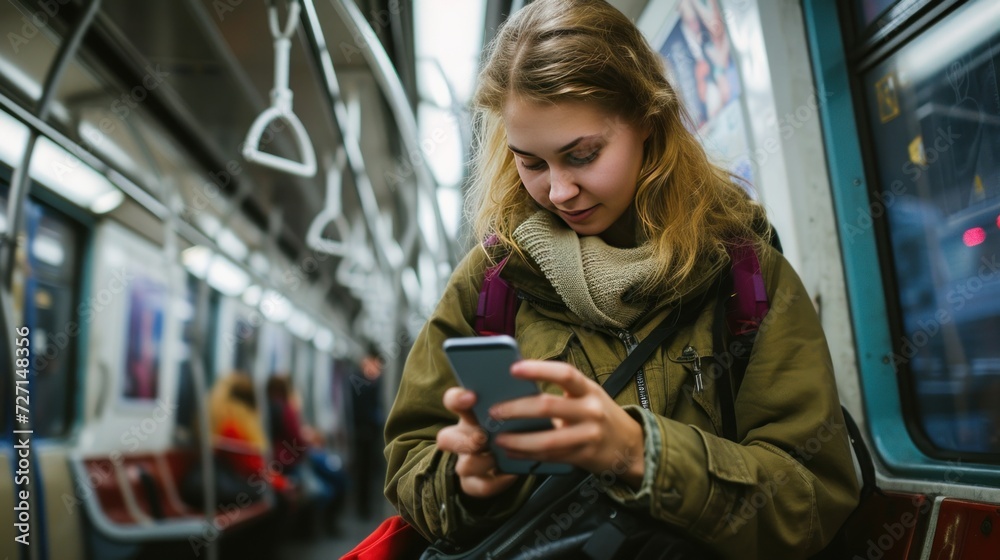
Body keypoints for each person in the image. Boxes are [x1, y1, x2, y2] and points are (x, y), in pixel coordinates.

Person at [383, 1, 860, 558]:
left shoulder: (743, 273)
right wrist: (465, 485)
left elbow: (810, 498)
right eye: (531, 163)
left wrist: (642, 452)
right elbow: (410, 460)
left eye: (582, 155)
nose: (558, 191)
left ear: (649, 123)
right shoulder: (492, 281)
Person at [348, 343, 387, 519]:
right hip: (361, 431)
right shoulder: (359, 381)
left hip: (370, 432)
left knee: (369, 470)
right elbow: (359, 409)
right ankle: (361, 507)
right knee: (362, 470)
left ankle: (365, 506)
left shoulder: (372, 381)